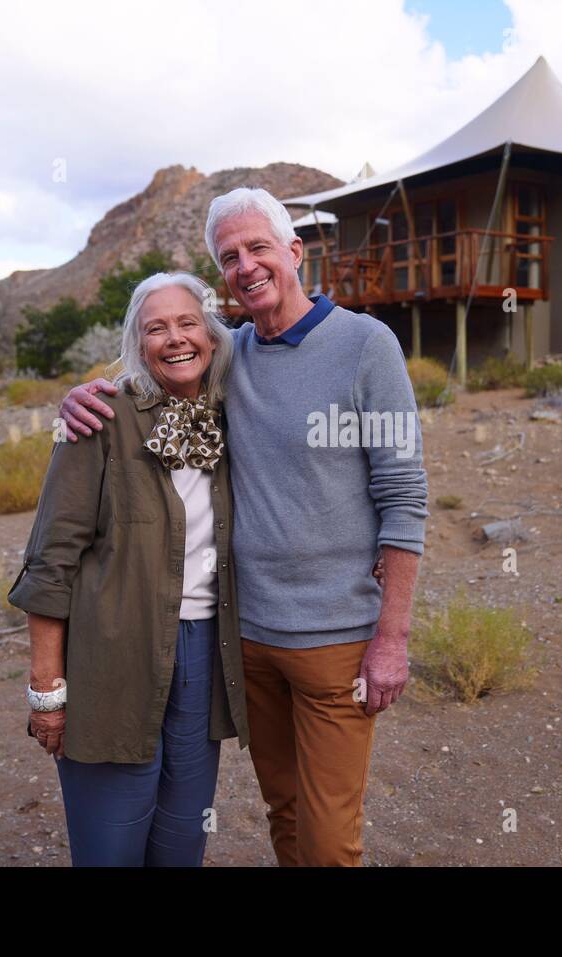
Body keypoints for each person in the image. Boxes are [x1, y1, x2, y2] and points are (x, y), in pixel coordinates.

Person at [58, 187, 428, 866]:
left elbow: (405, 496)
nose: (246, 265)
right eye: (229, 256)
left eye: (259, 247)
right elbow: (164, 365)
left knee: (326, 836)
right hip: (247, 641)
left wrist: (392, 639)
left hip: (335, 641)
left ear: (293, 252)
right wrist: (83, 395)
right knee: (283, 812)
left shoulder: (366, 346)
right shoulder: (234, 354)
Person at [8, 271, 249, 866]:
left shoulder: (234, 412)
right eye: (156, 328)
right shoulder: (99, 418)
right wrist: (47, 692)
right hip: (112, 656)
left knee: (181, 843)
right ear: (137, 345)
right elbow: (51, 561)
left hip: (204, 657)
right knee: (111, 845)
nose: (175, 338)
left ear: (213, 337)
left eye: (188, 322)